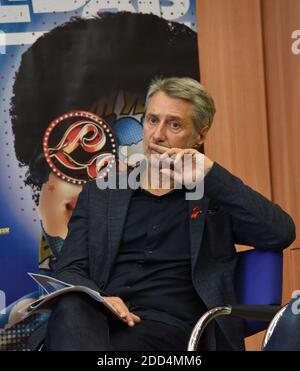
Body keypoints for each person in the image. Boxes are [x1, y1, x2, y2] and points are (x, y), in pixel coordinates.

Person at [28, 77, 296, 351]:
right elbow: (70, 268)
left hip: (175, 330)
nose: (157, 135)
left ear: (200, 135)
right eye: (152, 120)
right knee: (72, 306)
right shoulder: (102, 194)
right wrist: (100, 298)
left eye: (174, 124)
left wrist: (212, 176)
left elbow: (281, 232)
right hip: (102, 321)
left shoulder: (214, 196)